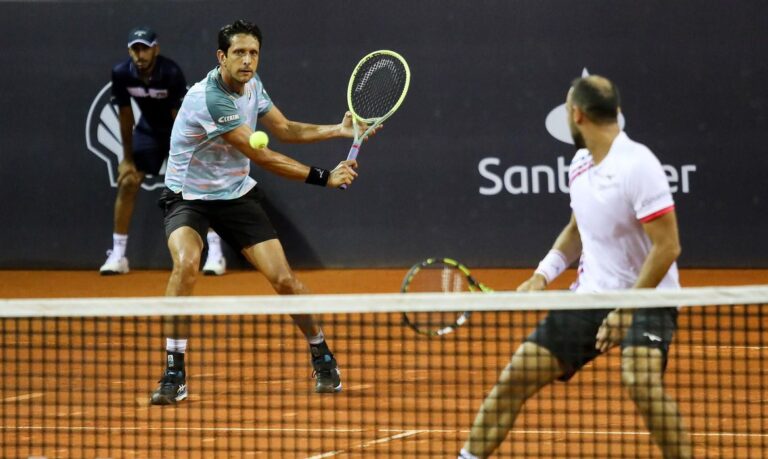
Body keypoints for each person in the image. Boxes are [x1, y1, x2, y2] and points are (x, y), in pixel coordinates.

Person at [459, 76, 693, 458]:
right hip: (590, 298)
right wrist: (541, 275)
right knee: (514, 378)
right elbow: (576, 229)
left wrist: (627, 308)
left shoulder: (638, 165)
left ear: (577, 114)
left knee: (640, 381)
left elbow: (668, 247)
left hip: (648, 298)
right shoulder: (581, 163)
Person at [149, 19, 367, 405]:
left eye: (253, 53)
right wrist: (325, 177)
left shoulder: (253, 86)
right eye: (239, 53)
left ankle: (321, 354)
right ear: (222, 57)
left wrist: (338, 129)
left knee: (283, 280)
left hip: (235, 194)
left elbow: (285, 129)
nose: (247, 61)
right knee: (186, 263)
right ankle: (174, 369)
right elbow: (262, 154)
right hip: (188, 195)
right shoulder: (209, 99)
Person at [100, 26, 227, 276]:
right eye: (135, 49)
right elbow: (125, 117)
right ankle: (118, 255)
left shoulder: (170, 73)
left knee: (200, 186)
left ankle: (215, 253)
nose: (140, 55)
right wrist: (127, 160)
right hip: (148, 132)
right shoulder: (121, 73)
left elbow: (180, 119)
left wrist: (186, 155)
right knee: (128, 181)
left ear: (155, 49)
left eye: (145, 49)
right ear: (129, 51)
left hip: (178, 130)